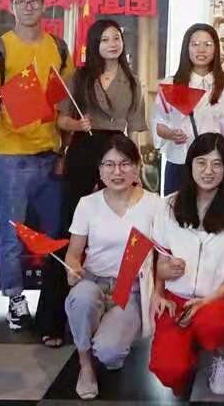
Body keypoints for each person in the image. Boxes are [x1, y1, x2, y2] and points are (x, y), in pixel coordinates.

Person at [0, 0, 73, 331]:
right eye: (22, 1)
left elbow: (65, 101)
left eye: (34, 1)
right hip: (11, 154)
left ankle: (53, 300)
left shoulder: (58, 47)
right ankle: (15, 297)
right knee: (11, 232)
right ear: (12, 7)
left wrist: (65, 149)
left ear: (44, 5)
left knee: (56, 232)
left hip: (49, 152)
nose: (28, 6)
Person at [35, 18, 147, 346]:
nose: (112, 44)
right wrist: (76, 123)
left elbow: (135, 129)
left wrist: (137, 168)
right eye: (105, 39)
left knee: (127, 227)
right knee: (67, 231)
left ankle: (120, 311)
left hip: (119, 151)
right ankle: (51, 321)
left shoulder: (133, 81)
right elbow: (60, 119)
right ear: (94, 44)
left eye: (116, 38)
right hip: (84, 151)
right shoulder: (79, 77)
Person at [149, 133, 224, 397]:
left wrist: (207, 301)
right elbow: (160, 261)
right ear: (190, 164)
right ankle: (188, 352)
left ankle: (221, 355)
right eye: (201, 162)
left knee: (211, 325)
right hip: (177, 300)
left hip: (222, 301)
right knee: (168, 370)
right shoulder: (168, 205)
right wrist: (158, 290)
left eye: (217, 164)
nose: (208, 171)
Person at [63, 134, 162, 399]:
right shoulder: (88, 204)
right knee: (81, 299)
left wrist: (160, 288)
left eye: (125, 163)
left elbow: (164, 254)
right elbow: (73, 254)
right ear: (99, 169)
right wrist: (72, 268)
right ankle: (85, 364)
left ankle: (105, 339)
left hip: (130, 287)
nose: (117, 172)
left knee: (109, 353)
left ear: (137, 166)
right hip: (93, 281)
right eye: (109, 164)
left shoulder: (155, 204)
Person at [154, 24, 224, 196]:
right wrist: (171, 134)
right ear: (186, 48)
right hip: (180, 162)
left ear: (216, 49)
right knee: (177, 210)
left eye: (207, 44)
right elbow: (158, 123)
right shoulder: (171, 84)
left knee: (217, 211)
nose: (201, 49)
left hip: (216, 166)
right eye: (195, 44)